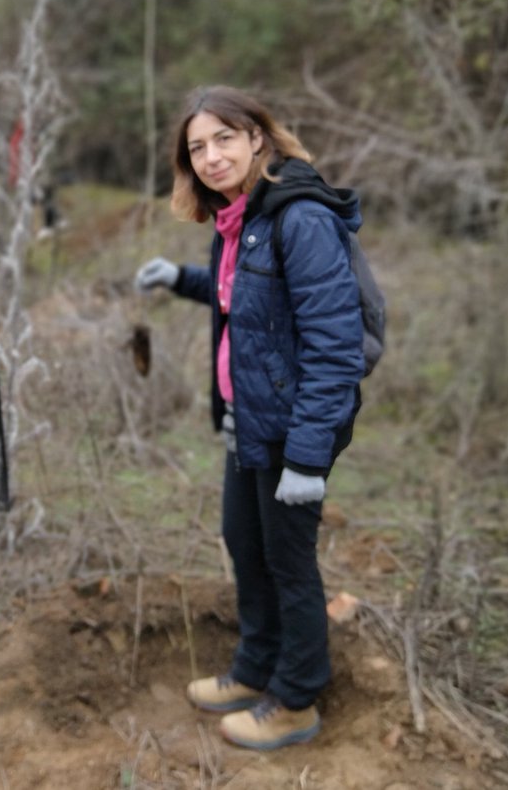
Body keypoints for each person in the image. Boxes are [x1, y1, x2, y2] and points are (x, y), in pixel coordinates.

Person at [135, 86, 365, 750]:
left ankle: (297, 698)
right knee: (246, 542)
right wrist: (180, 278)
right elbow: (252, 298)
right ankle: (255, 666)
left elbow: (333, 346)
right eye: (197, 148)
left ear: (259, 137)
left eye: (224, 139)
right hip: (250, 421)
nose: (210, 158)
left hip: (293, 431)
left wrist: (308, 457)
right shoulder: (242, 218)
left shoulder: (299, 217)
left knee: (288, 562)